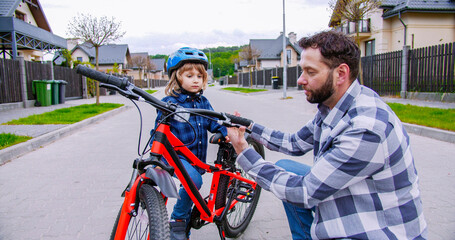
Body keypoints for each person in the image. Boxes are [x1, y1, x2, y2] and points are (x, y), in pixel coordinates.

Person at [227, 31, 427, 239]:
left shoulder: (366, 129)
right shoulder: (336, 106)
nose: (300, 80)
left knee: (296, 188)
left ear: (341, 74)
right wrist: (247, 126)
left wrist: (243, 152)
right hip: (358, 202)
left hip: (379, 231)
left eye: (310, 72)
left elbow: (304, 192)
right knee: (287, 168)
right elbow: (294, 143)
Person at [152, 47, 227, 240]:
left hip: (196, 159)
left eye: (200, 77)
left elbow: (214, 122)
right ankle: (177, 220)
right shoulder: (169, 103)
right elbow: (158, 132)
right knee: (194, 181)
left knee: (191, 185)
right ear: (176, 77)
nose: (196, 80)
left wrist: (225, 131)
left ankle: (184, 224)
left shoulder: (203, 102)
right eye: (190, 75)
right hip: (176, 158)